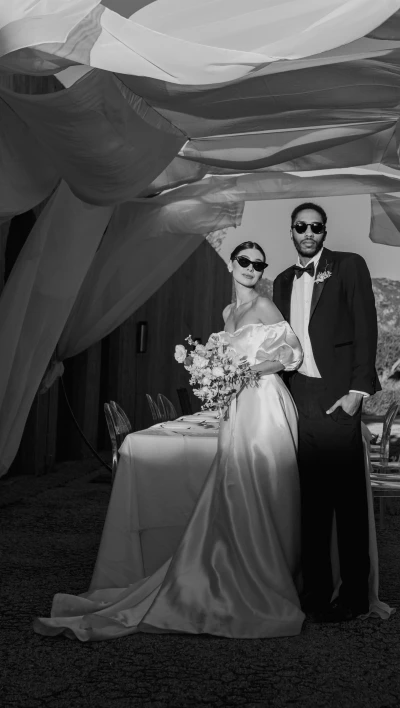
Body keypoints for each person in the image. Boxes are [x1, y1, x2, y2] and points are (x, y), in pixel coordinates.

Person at [34, 242, 305, 640]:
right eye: (244, 261)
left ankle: (271, 574)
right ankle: (230, 566)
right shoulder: (229, 312)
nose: (251, 269)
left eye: (258, 264)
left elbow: (291, 354)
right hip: (237, 404)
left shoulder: (264, 306)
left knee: (263, 481)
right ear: (231, 264)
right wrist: (219, 374)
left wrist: (244, 371)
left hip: (264, 401)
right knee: (232, 483)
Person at [273, 202, 381, 622]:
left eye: (316, 227)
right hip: (299, 395)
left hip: (338, 395)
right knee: (312, 504)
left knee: (348, 503)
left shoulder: (349, 266)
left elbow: (365, 327)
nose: (308, 233)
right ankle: (315, 593)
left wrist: (357, 392)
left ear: (324, 230)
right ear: (292, 230)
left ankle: (354, 597)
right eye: (301, 226)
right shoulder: (282, 281)